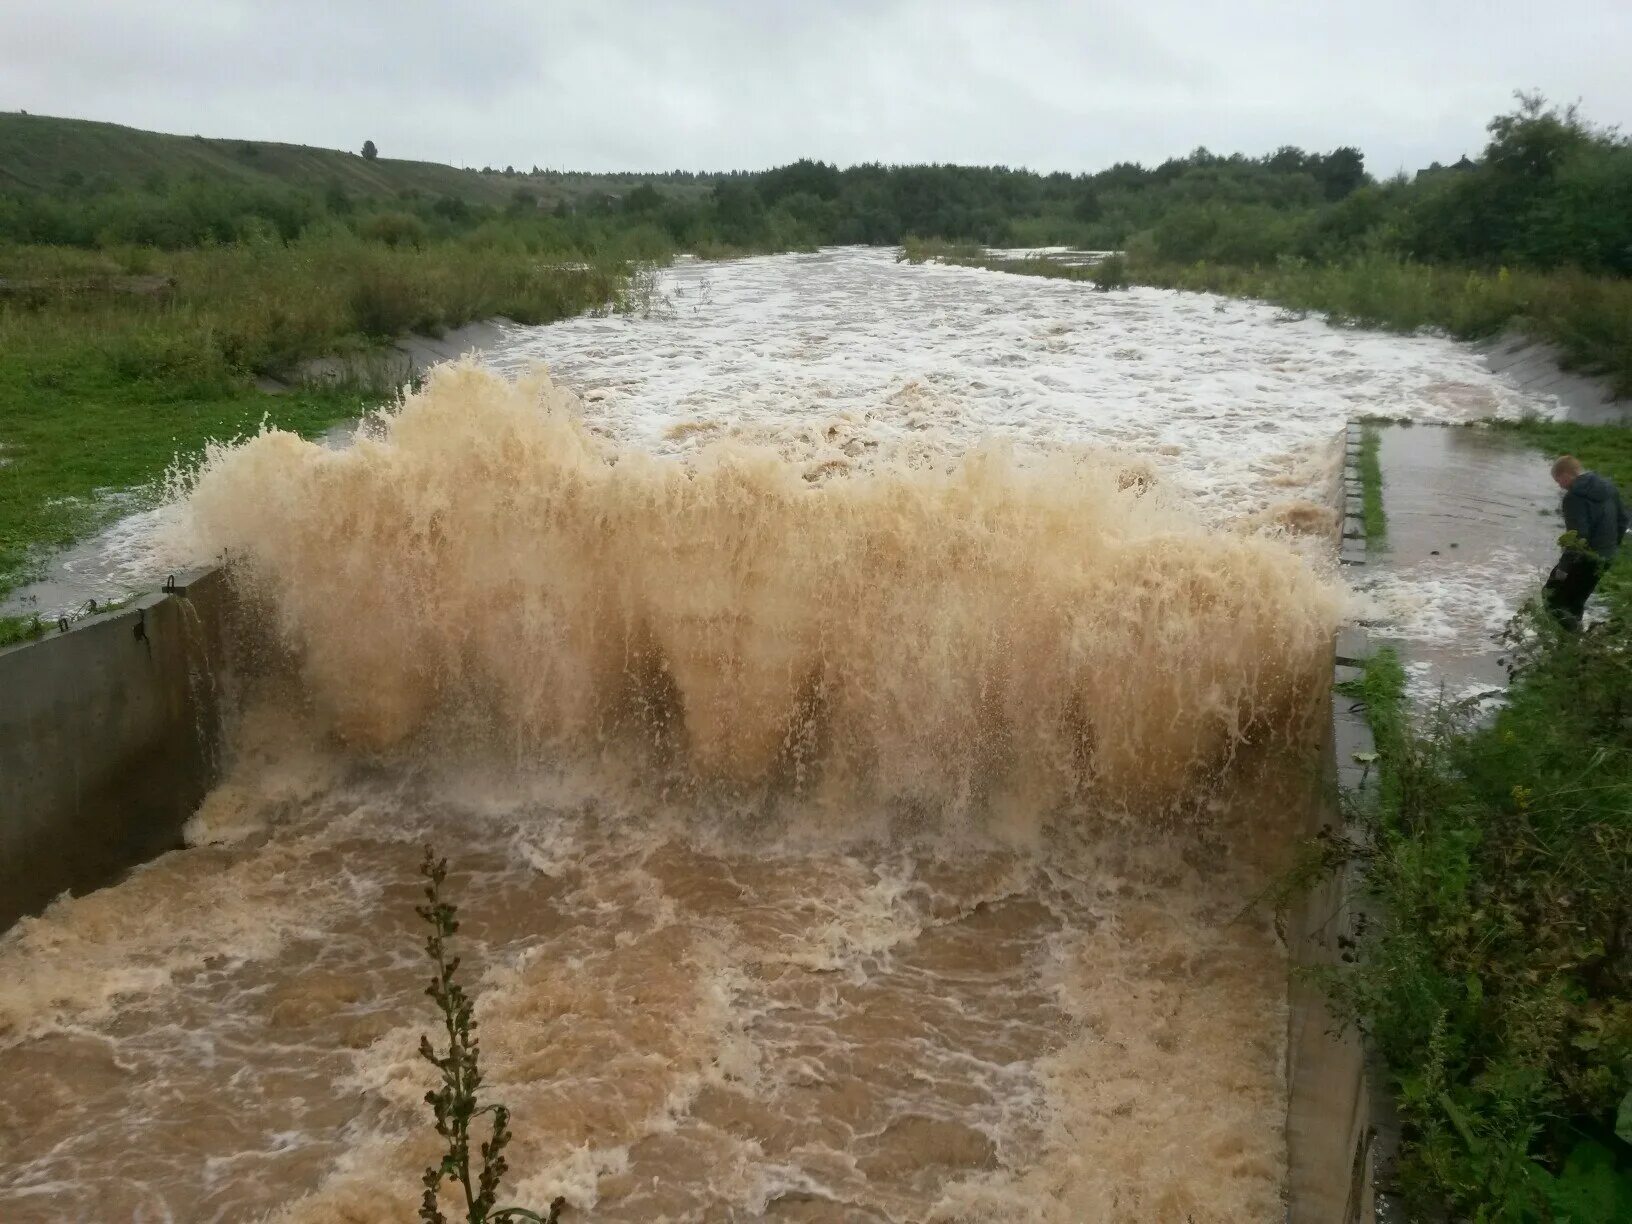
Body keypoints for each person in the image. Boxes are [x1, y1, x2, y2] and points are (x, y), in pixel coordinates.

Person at [1543, 455, 1628, 630]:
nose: (1560, 485)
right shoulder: (1608, 487)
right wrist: (1611, 548)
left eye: (1558, 480)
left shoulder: (1573, 498)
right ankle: (1577, 644)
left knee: (1552, 597)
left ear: (1566, 474)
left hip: (1584, 558)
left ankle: (1567, 644)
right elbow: (1624, 520)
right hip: (1605, 558)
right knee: (1576, 601)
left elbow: (1578, 537)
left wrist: (1563, 569)